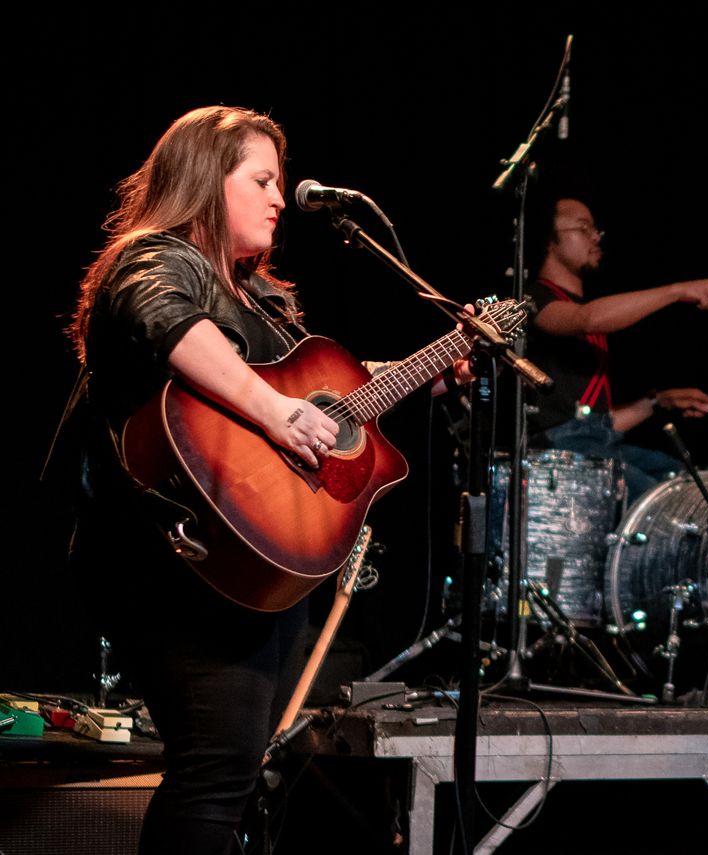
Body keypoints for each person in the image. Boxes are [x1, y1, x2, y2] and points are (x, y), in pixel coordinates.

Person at [62, 106, 461, 853]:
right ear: (206, 180)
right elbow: (167, 322)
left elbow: (324, 394)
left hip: (261, 560)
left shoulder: (263, 301)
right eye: (262, 180)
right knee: (214, 775)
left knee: (238, 777)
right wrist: (276, 412)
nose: (280, 198)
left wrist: (427, 371)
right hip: (180, 560)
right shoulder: (156, 257)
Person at [525, 196, 708, 499]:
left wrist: (658, 401)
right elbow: (587, 319)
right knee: (660, 502)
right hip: (556, 450)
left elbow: (597, 425)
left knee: (686, 483)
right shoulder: (533, 298)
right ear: (549, 240)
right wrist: (677, 291)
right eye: (583, 228)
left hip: (593, 443)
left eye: (596, 230)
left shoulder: (585, 308)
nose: (595, 237)